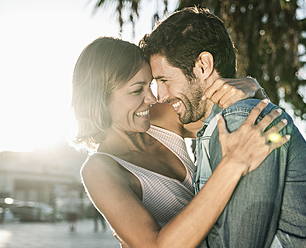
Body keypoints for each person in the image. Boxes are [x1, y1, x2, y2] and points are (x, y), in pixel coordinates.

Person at [139, 6, 306, 247]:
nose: (160, 95)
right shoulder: (219, 125)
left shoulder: (242, 122)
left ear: (203, 66)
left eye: (164, 80)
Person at [72, 37, 289, 247]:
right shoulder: (99, 170)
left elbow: (235, 114)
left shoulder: (161, 117)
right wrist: (233, 164)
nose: (152, 98)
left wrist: (253, 89)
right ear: (98, 99)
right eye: (137, 90)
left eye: (150, 85)